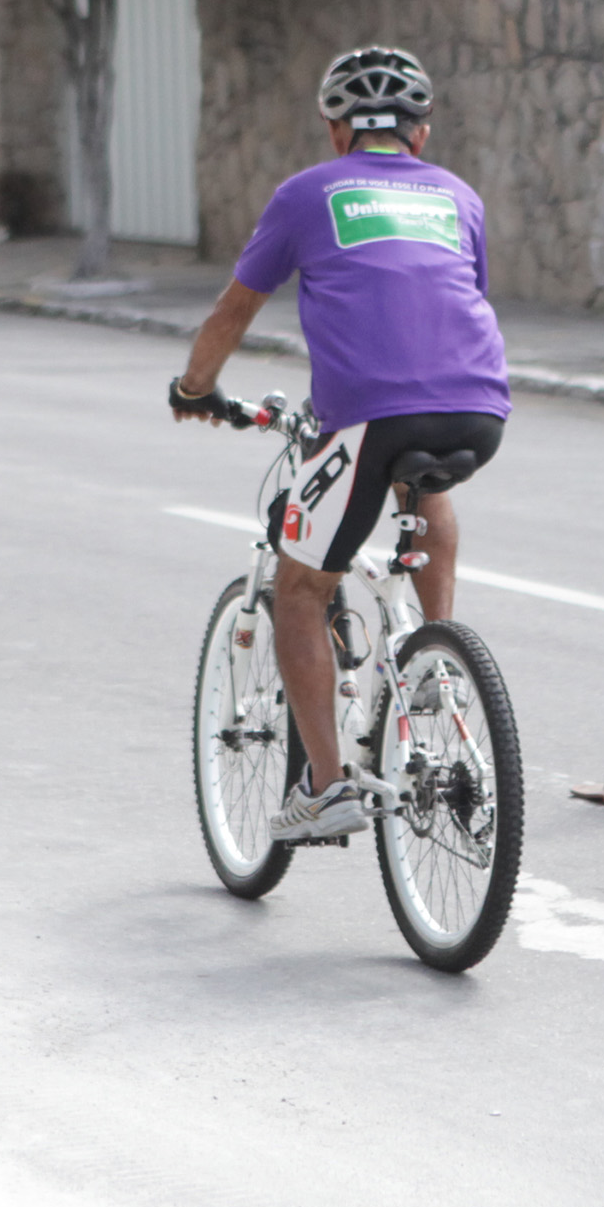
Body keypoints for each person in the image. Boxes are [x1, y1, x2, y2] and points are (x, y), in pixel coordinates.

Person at [169, 47, 510, 843]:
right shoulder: (460, 197)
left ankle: (325, 788)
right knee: (426, 487)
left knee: (299, 587)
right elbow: (451, 296)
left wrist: (194, 389)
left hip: (369, 416)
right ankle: (434, 659)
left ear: (335, 131)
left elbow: (234, 309)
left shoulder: (306, 194)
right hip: (477, 409)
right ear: (420, 134)